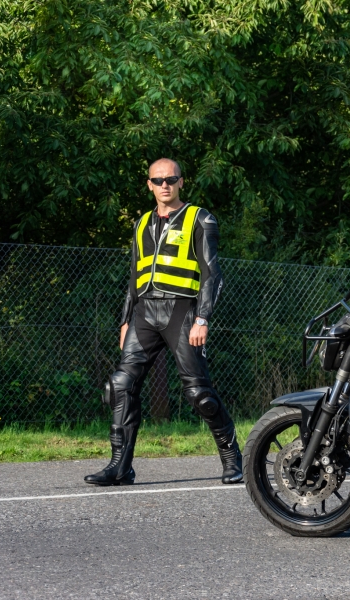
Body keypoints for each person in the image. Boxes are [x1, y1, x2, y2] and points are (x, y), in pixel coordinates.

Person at [85, 158, 242, 486]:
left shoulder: (200, 218)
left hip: (181, 311)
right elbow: (134, 275)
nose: (164, 185)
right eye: (158, 180)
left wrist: (202, 317)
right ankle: (120, 467)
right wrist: (125, 320)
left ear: (181, 181)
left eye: (170, 179)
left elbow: (212, 273)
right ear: (149, 185)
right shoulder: (141, 223)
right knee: (120, 385)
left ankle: (232, 458)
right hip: (144, 312)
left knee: (199, 394)